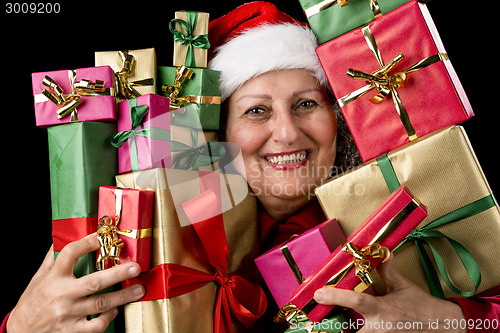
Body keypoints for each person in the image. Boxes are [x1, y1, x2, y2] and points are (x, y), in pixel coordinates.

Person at [3, 2, 500, 332]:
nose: (286, 133)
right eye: (257, 110)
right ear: (220, 136)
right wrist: (22, 327)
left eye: (307, 104)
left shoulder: (410, 213)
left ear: (339, 119)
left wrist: (445, 319)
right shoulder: (146, 239)